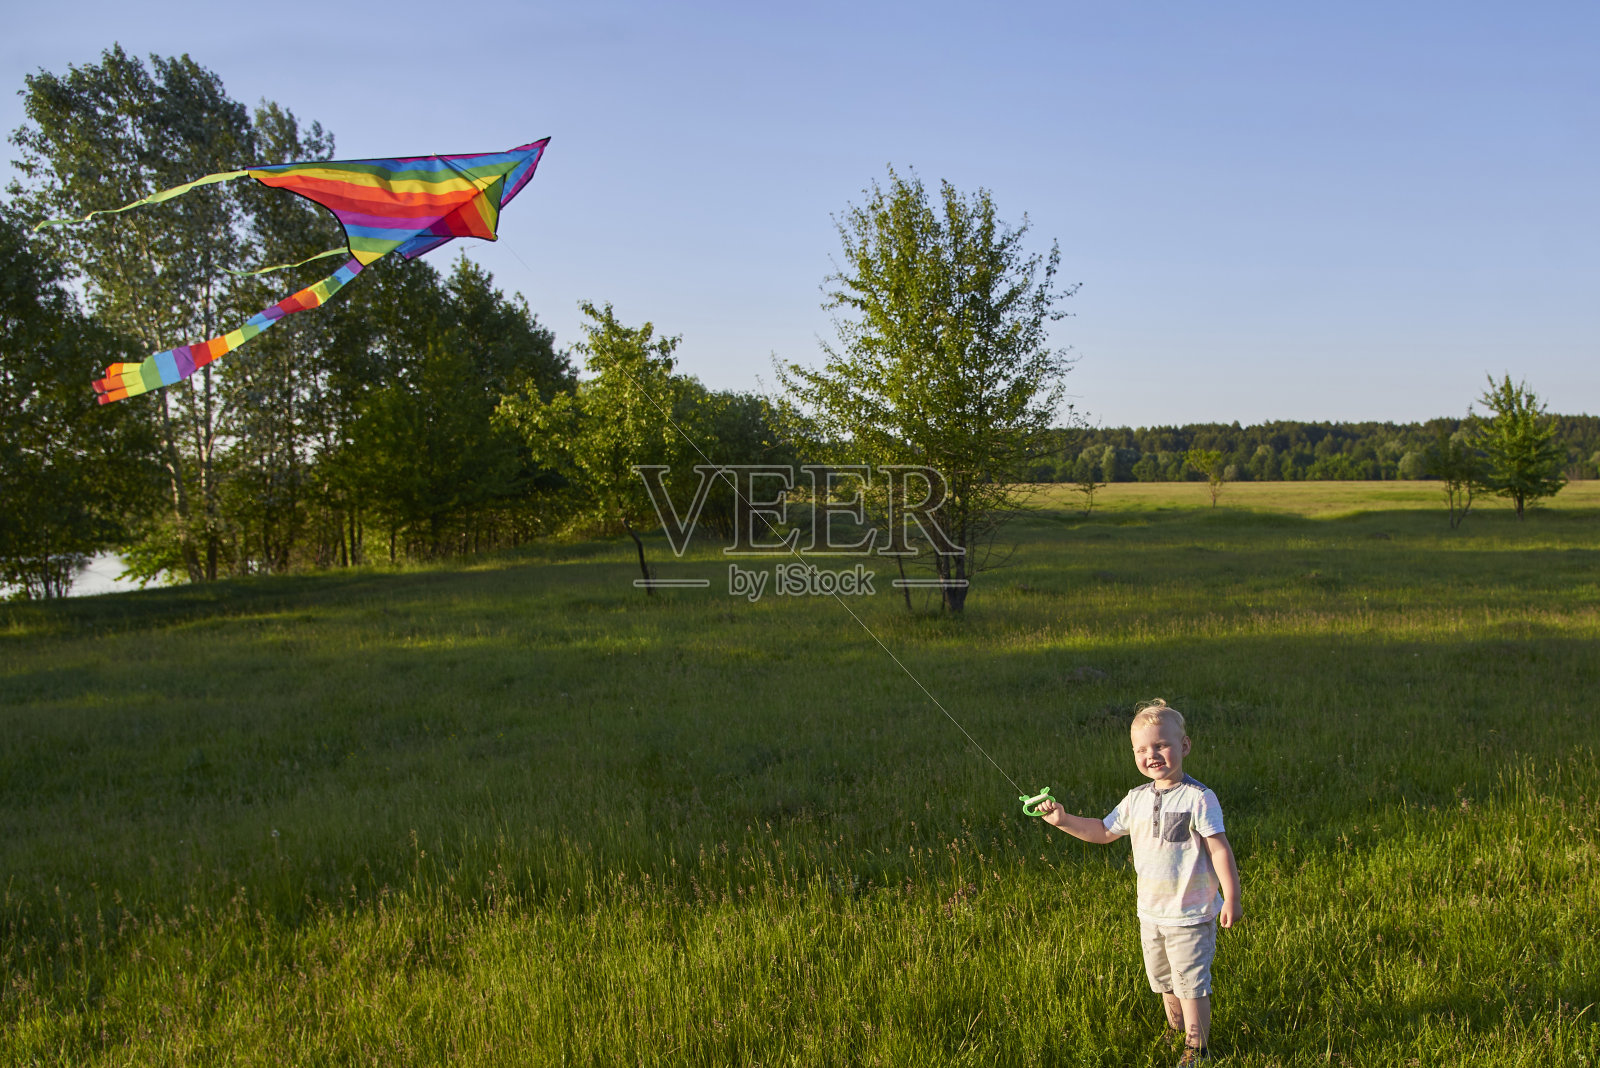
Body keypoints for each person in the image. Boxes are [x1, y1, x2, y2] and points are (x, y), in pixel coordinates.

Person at [1038, 699, 1242, 1066]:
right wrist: (1062, 820)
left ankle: (1198, 1049)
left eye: (1161, 745)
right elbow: (1102, 830)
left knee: (1191, 985)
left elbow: (1219, 850)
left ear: (1184, 746)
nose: (1152, 755)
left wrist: (1231, 897)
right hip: (1151, 913)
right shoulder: (1136, 799)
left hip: (1190, 913)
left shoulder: (1199, 798)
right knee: (1163, 980)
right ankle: (1175, 1031)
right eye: (1142, 749)